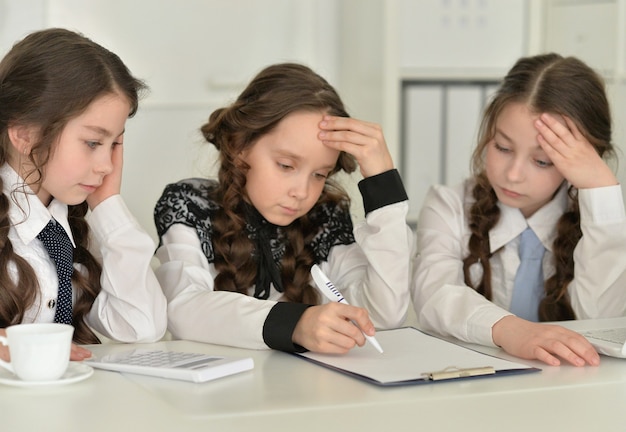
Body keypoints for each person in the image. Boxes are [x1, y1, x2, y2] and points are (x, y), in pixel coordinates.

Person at [154, 63, 411, 353]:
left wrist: (384, 186)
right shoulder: (189, 204)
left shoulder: (325, 218)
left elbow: (384, 316)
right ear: (240, 146)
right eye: (286, 165)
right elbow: (183, 308)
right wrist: (295, 323)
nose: (301, 193)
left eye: (320, 174)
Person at [412, 53, 626, 367]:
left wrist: (599, 188)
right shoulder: (450, 205)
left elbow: (601, 319)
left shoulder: (606, 219)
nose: (513, 174)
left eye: (542, 161)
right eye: (503, 147)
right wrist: (513, 332)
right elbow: (434, 294)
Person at [0, 28, 167, 361]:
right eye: (93, 142)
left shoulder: (74, 231)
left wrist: (108, 206)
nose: (107, 165)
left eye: (115, 144)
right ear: (24, 134)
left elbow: (141, 326)